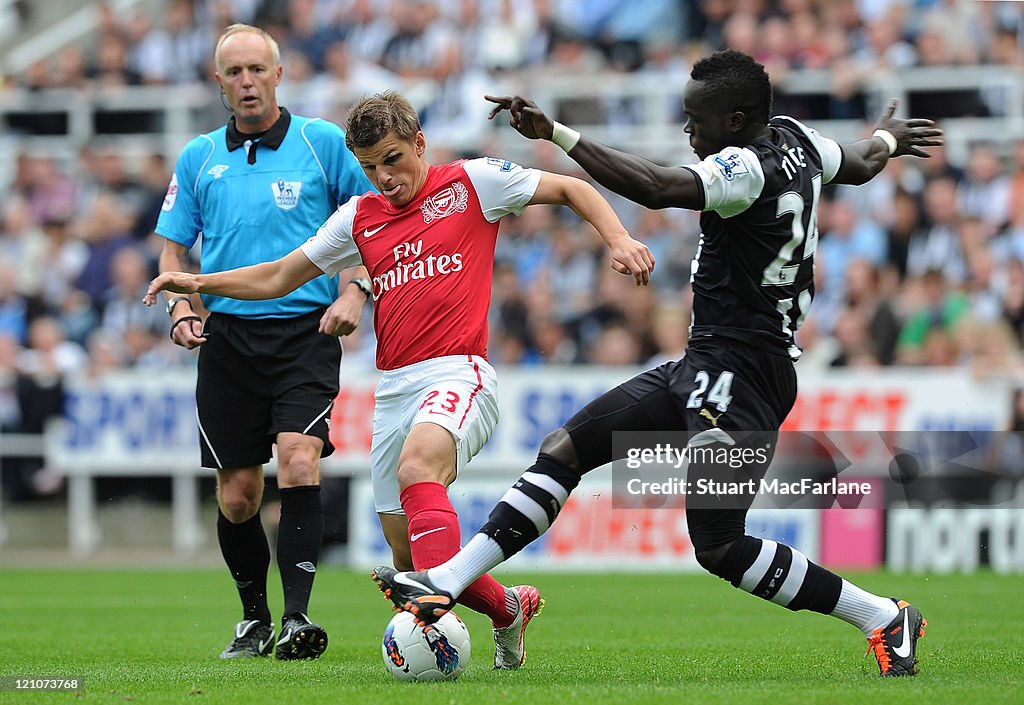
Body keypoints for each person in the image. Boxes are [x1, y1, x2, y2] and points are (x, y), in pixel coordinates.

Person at [370, 50, 944, 678]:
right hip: (708, 364)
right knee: (566, 448)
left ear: (737, 119)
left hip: (743, 377)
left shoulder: (744, 169)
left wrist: (558, 134)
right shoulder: (800, 141)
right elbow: (858, 162)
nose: (687, 132)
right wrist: (887, 137)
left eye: (697, 120)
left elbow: (658, 186)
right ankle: (447, 579)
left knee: (720, 544)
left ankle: (884, 617)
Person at [145, 90, 655, 668]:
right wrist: (196, 283)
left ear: (419, 144)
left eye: (392, 159)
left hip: (460, 371)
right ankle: (507, 609)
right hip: (394, 388)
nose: (384, 178)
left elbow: (571, 186)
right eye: (368, 168)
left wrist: (618, 238)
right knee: (408, 558)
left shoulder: (472, 183)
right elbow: (280, 276)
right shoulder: (358, 219)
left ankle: (436, 628)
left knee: (419, 470)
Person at [153, 24, 375, 661]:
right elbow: (175, 244)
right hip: (227, 341)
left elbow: (371, 223)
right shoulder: (199, 156)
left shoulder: (322, 142)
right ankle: (253, 619)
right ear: (218, 81)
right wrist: (180, 304)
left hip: (305, 333)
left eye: (257, 69)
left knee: (300, 459)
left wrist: (355, 291)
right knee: (239, 493)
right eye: (234, 73)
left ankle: (299, 619)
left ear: (279, 75)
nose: (247, 82)